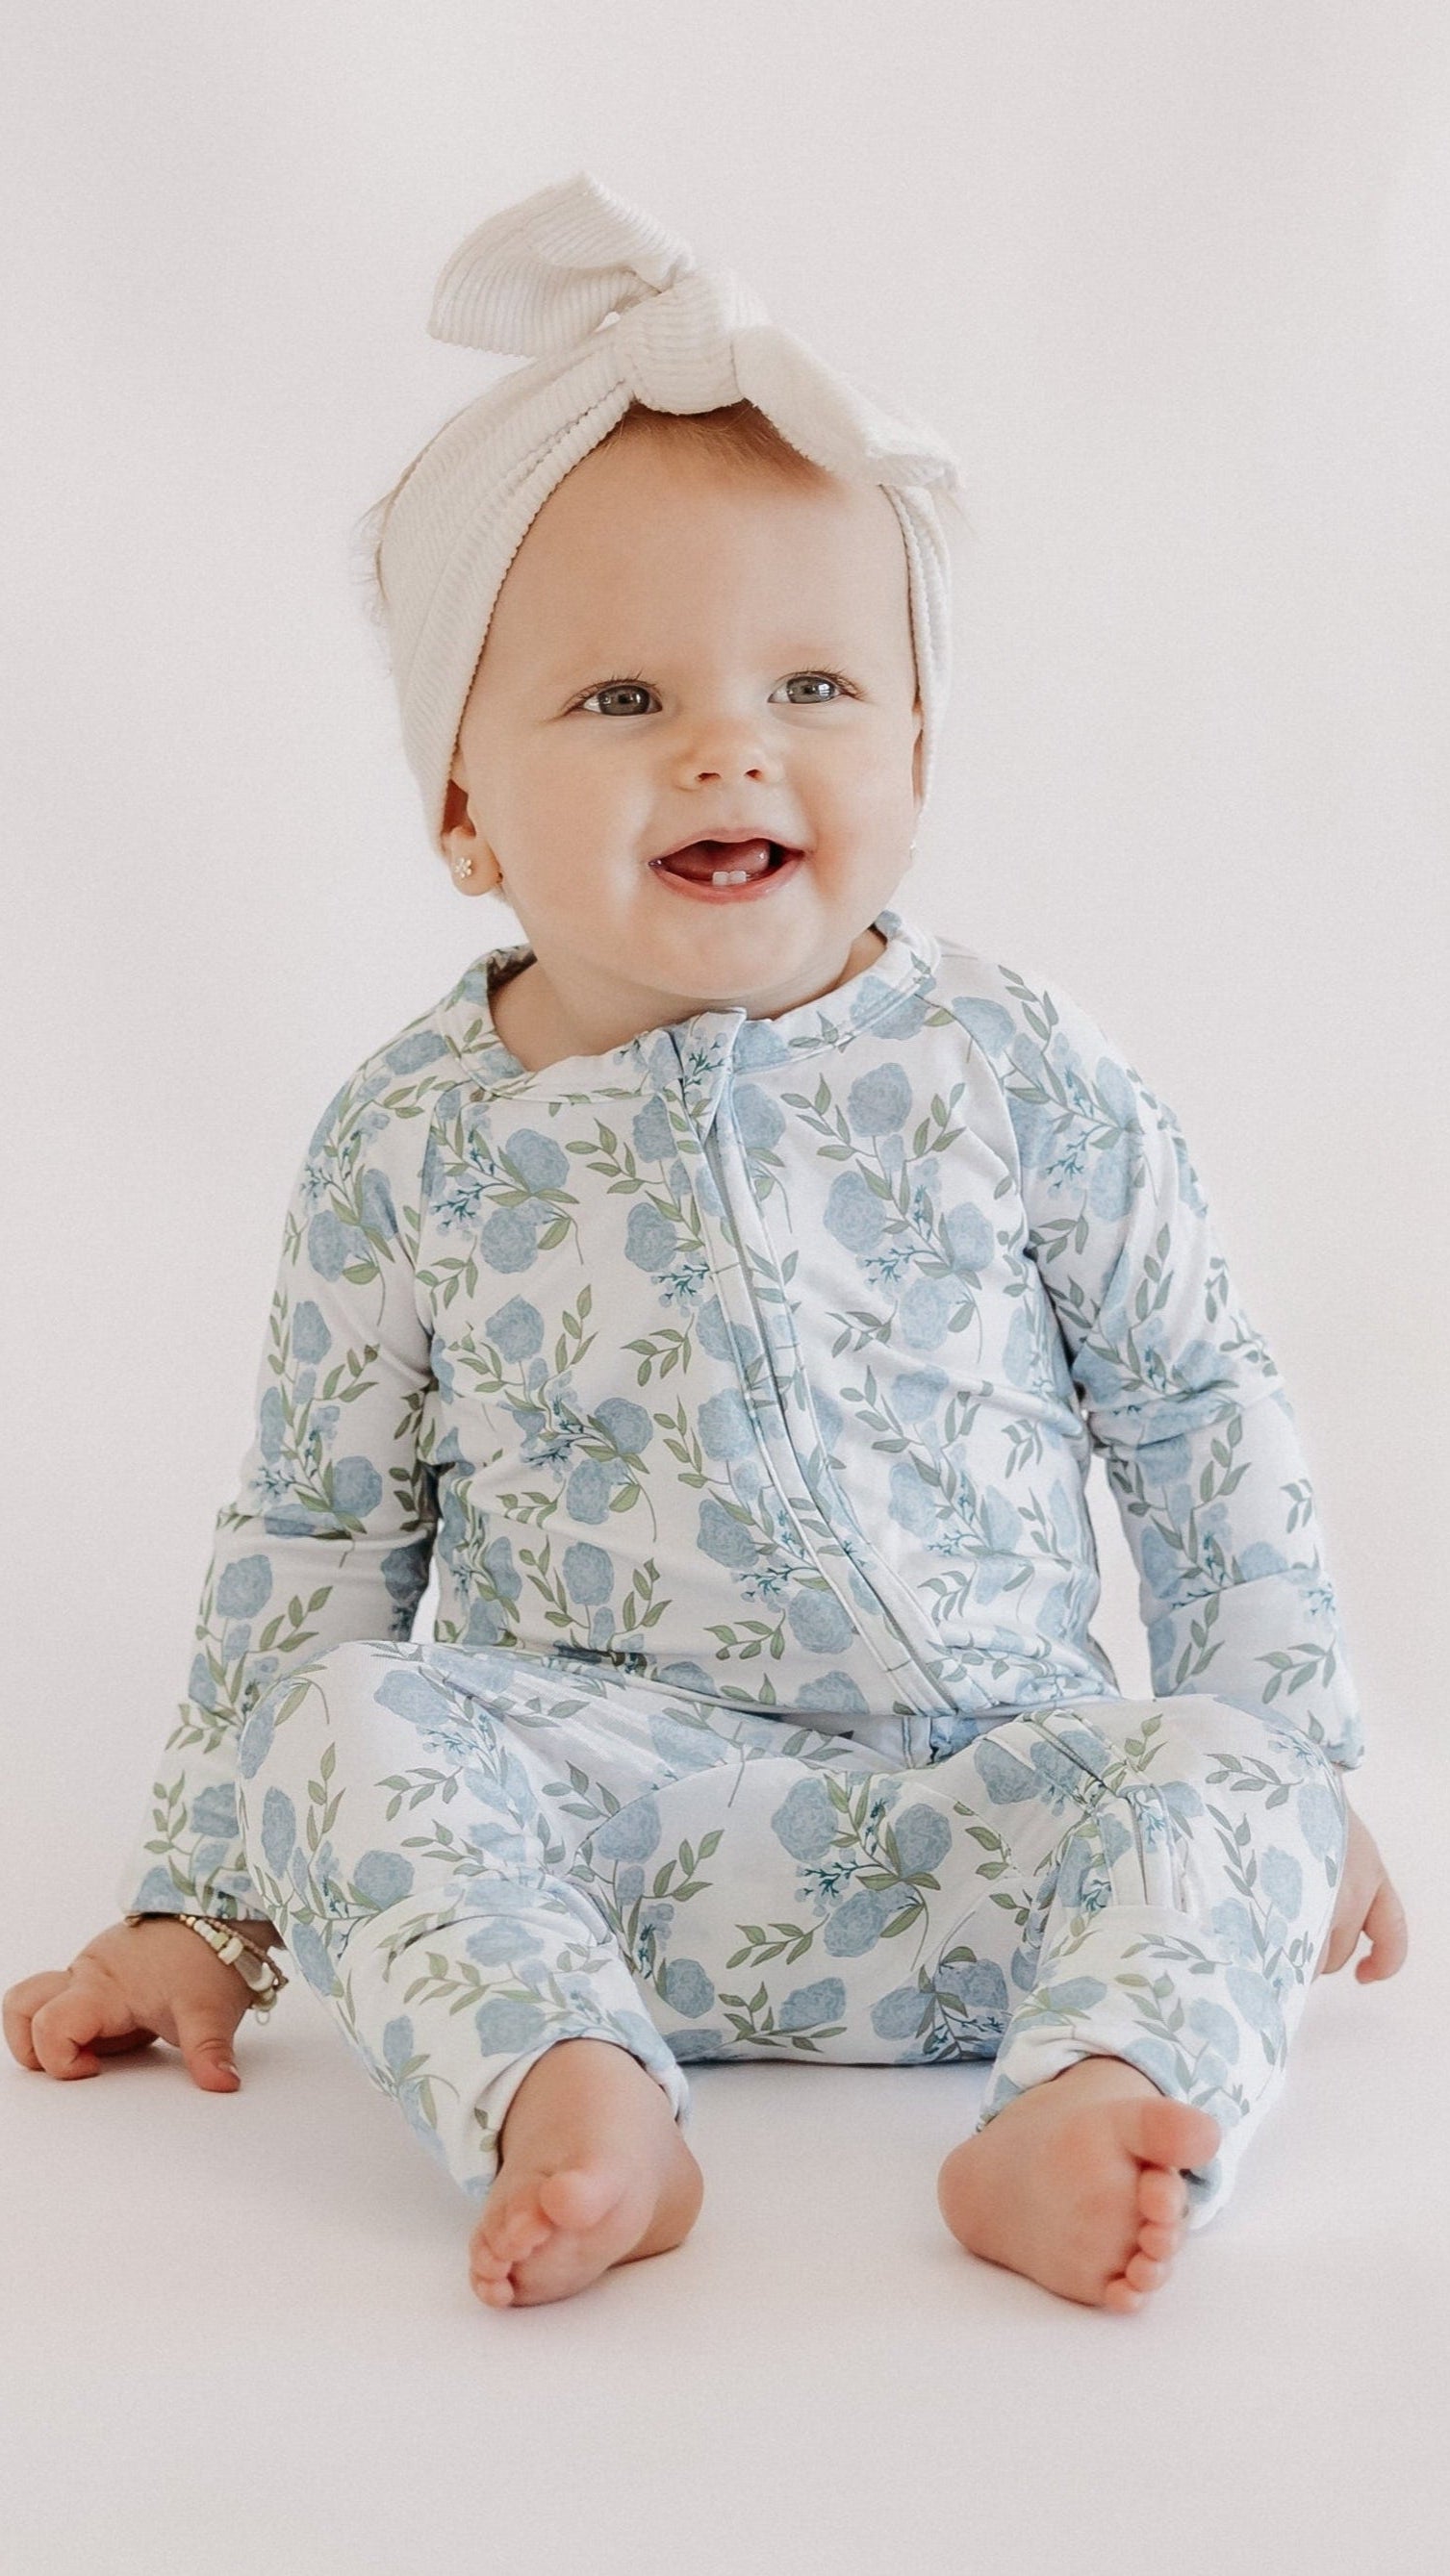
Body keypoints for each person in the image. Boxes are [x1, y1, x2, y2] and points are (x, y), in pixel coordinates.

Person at [3, 172, 1408, 2318]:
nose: (732, 743)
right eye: (620, 700)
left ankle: (1085, 2090)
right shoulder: (410, 1136)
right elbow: (314, 1523)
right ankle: (568, 2082)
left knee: (1235, 1770)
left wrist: (1291, 1772)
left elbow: (1197, 1414)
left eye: (816, 682)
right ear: (460, 808)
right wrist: (202, 1896)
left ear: (919, 748)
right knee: (347, 1718)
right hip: (595, 1849)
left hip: (1000, 1829)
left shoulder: (1014, 1066)